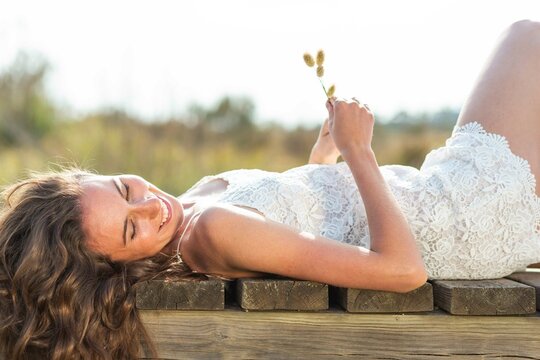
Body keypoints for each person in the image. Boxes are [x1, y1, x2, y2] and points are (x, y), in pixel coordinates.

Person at [1, 19, 539, 360]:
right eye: (129, 228)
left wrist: (324, 156)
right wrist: (359, 152)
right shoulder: (209, 232)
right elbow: (402, 271)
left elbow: (305, 227)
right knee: (525, 38)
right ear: (117, 265)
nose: (148, 206)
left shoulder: (193, 208)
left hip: (436, 195)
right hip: (463, 213)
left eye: (123, 188)